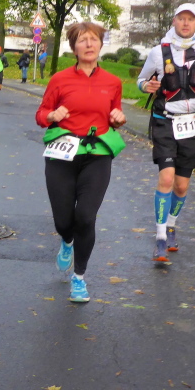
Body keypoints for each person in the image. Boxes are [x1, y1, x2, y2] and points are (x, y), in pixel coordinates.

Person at [35, 22, 126, 302]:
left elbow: (115, 113)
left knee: (86, 217)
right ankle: (66, 240)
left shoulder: (113, 82)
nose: (89, 44)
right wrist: (52, 116)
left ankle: (79, 278)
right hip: (62, 154)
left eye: (94, 39)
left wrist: (118, 119)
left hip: (97, 155)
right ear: (74, 47)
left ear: (100, 45)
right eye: (83, 40)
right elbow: (41, 114)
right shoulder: (60, 79)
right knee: (64, 221)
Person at [137, 3, 195, 262]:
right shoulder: (158, 52)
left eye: (190, 19)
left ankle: (171, 225)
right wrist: (147, 86)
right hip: (164, 121)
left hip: (191, 125)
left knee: (182, 185)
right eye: (181, 18)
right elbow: (141, 81)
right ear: (174, 21)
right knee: (166, 178)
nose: (185, 23)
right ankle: (160, 237)